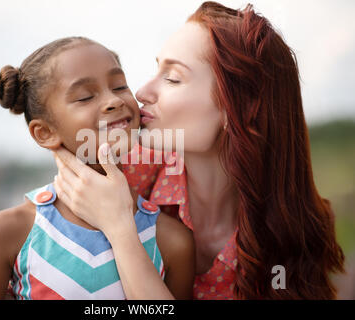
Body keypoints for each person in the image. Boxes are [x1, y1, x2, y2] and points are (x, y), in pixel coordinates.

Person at [52, 2, 346, 299]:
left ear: (238, 107)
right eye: (157, 70)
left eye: (172, 78)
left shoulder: (290, 241)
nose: (142, 92)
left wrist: (120, 229)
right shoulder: (127, 176)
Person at [0, 37, 195, 300]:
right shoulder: (10, 230)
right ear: (45, 132)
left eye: (119, 86)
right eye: (85, 96)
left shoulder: (172, 241)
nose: (114, 101)